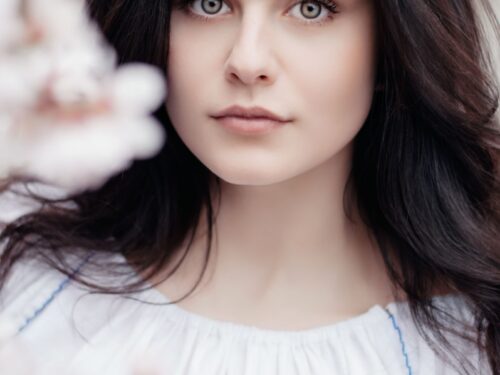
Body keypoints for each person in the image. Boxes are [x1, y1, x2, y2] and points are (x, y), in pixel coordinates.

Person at [0, 0, 499, 373]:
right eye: (209, 3)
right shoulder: (29, 287)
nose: (247, 59)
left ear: (392, 46)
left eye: (310, 8)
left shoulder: (471, 345)